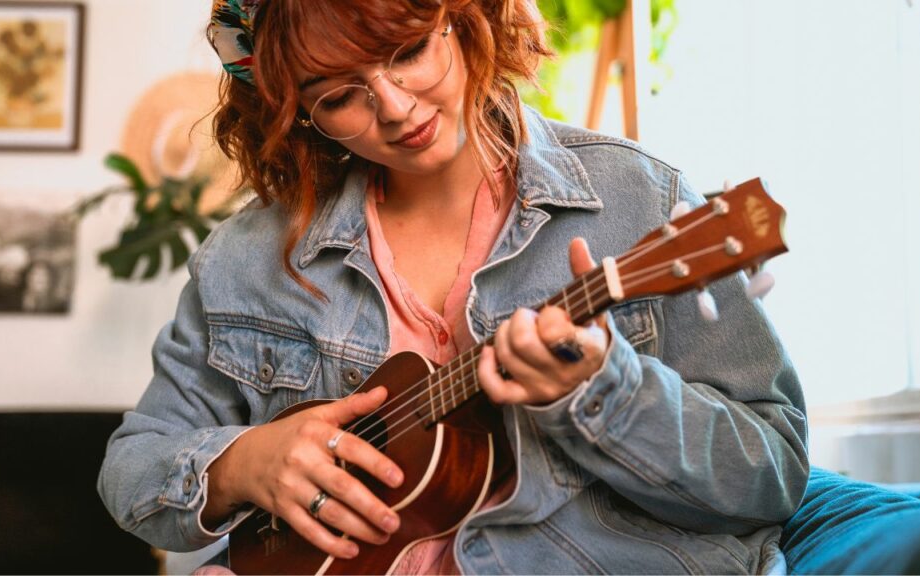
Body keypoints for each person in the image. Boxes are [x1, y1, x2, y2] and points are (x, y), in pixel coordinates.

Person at [98, 0, 809, 573]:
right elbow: (132, 467)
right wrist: (240, 466)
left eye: (408, 53)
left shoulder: (640, 201)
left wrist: (603, 392)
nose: (397, 108)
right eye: (341, 96)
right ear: (297, 113)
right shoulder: (244, 260)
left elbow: (769, 478)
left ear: (465, 17)